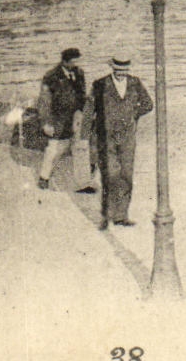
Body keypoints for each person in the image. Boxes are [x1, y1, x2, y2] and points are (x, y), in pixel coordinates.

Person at [87, 55, 153, 228]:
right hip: (106, 137)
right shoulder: (100, 84)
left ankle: (121, 215)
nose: (122, 74)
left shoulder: (135, 83)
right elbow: (89, 111)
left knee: (126, 176)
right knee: (109, 175)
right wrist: (87, 137)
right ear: (113, 69)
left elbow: (148, 104)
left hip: (127, 138)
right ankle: (106, 216)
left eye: (125, 71)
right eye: (119, 71)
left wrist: (133, 115)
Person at [36, 47, 94, 193]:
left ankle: (84, 183)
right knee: (54, 150)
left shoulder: (79, 73)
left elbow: (82, 95)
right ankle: (44, 178)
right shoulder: (51, 76)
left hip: (77, 118)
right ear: (64, 61)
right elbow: (44, 101)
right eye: (73, 62)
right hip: (58, 119)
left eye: (77, 61)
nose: (75, 65)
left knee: (81, 149)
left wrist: (82, 112)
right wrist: (46, 123)